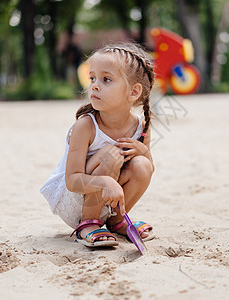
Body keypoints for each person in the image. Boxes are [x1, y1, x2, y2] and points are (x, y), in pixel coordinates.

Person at [40, 42, 155, 248]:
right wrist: (104, 182)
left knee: (142, 164)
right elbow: (72, 180)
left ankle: (117, 221)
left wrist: (144, 151)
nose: (94, 85)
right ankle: (87, 224)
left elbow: (148, 170)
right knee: (111, 154)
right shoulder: (86, 126)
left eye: (106, 79)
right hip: (75, 199)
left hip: (110, 200)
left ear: (133, 92)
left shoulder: (141, 126)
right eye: (92, 78)